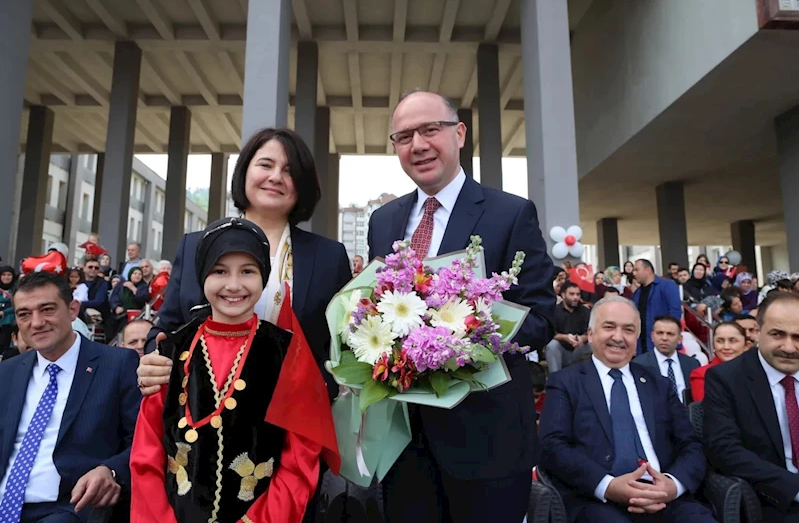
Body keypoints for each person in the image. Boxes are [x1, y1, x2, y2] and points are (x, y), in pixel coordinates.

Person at [134, 128, 352, 522]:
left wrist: (315, 390)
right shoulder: (196, 242)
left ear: (301, 184)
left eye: (289, 170)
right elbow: (165, 329)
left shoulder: (328, 256)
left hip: (289, 434)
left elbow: (340, 349)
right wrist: (153, 359)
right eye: (265, 164)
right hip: (201, 429)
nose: (275, 177)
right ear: (244, 172)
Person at [367, 90, 556, 523]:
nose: (418, 144)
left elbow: (542, 316)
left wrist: (466, 337)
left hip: (486, 440)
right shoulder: (384, 221)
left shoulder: (510, 213)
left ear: (459, 133)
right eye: (404, 136)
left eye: (430, 129)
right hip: (403, 440)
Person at [539, 296, 713, 522]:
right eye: (609, 327)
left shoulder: (658, 384)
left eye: (628, 330)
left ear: (637, 338)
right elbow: (552, 446)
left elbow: (690, 444)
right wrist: (607, 485)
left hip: (664, 497)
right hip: (597, 500)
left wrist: (673, 484)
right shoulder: (566, 382)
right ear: (590, 334)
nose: (618, 337)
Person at [0, 272, 141, 522]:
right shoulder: (8, 371)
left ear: (73, 309)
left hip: (69, 508)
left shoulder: (116, 364)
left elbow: (143, 439)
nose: (36, 322)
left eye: (47, 309)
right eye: (24, 314)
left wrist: (111, 470)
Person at [704, 292, 799, 520]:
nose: (789, 347)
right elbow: (724, 450)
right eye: (777, 334)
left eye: (798, 337)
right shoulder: (726, 378)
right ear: (757, 332)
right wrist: (794, 488)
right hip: (775, 500)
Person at [632, 315, 700, 404]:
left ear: (680, 339)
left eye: (670, 334)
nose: (664, 338)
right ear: (652, 336)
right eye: (660, 333)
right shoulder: (639, 364)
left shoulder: (692, 364)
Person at [689, 321, 750, 401]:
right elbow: (704, 410)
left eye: (732, 341)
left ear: (746, 346)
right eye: (720, 341)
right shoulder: (701, 374)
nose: (726, 347)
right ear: (713, 344)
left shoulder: (756, 371)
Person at [632, 259, 681, 355]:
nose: (634, 273)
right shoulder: (637, 293)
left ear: (648, 270)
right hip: (641, 346)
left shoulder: (667, 285)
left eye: (637, 270)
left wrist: (668, 335)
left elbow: (675, 311)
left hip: (662, 343)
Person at [545, 281, 590, 373]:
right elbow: (550, 332)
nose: (575, 297)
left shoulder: (585, 311)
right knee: (552, 345)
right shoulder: (554, 311)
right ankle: (555, 379)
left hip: (580, 349)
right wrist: (565, 337)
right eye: (572, 294)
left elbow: (591, 331)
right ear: (563, 295)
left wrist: (582, 338)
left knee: (592, 345)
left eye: (578, 294)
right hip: (562, 350)